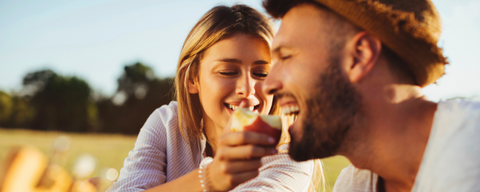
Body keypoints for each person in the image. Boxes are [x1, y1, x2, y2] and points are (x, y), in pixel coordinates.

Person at [260, 0, 480, 192]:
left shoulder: (471, 153)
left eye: (286, 57)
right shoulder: (353, 184)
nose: (267, 86)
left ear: (359, 56)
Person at [106, 4, 317, 192]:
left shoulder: (293, 154)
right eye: (227, 71)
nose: (247, 89)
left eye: (262, 73)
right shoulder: (166, 123)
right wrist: (209, 178)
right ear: (192, 79)